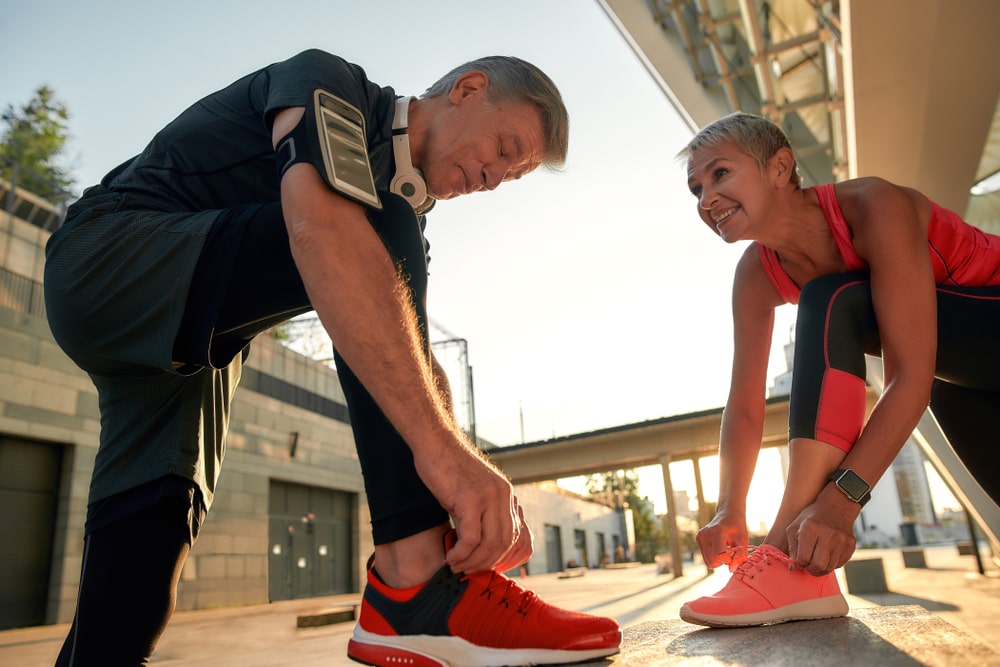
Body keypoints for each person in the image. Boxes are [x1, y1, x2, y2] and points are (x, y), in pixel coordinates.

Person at [44, 49, 621, 666]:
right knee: (372, 227)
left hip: (189, 351)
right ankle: (414, 584)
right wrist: (441, 459)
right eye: (504, 149)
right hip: (108, 258)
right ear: (468, 89)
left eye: (512, 176)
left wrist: (468, 480)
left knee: (134, 589)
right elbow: (320, 230)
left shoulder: (403, 217)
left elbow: (409, 358)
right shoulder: (332, 85)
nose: (493, 178)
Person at [675, 111, 1000, 627]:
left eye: (720, 174)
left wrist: (841, 501)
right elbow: (745, 405)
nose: (706, 199)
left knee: (833, 296)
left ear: (780, 167)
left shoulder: (874, 205)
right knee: (835, 299)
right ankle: (798, 572)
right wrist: (729, 508)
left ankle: (788, 564)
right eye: (696, 189)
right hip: (965, 377)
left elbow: (909, 375)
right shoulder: (755, 273)